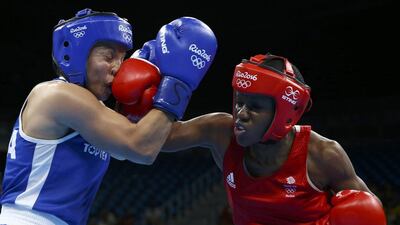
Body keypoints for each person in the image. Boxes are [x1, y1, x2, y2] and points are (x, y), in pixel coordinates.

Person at [0, 8, 217, 225]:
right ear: (77, 54)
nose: (117, 68)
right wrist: (177, 85)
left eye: (122, 58)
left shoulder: (96, 111)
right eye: (108, 56)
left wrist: (213, 127)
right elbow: (141, 147)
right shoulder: (56, 95)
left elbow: (152, 139)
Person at [130, 49, 387, 224]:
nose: (241, 114)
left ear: (284, 113)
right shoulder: (220, 131)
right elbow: (154, 139)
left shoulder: (323, 155)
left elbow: (367, 214)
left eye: (255, 107)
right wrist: (138, 99)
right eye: (239, 102)